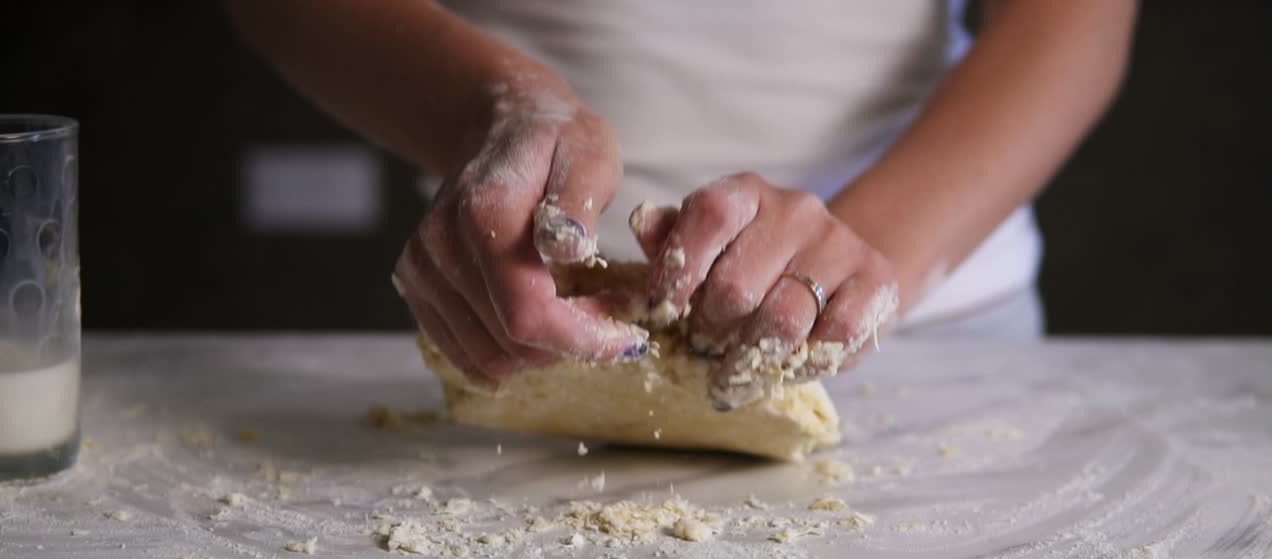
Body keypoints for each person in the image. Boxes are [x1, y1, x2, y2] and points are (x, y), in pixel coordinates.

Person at [226, 0, 1136, 408]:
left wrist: (864, 254)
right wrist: (487, 109)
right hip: (524, 333)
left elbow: (1077, 16)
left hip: (940, 330)